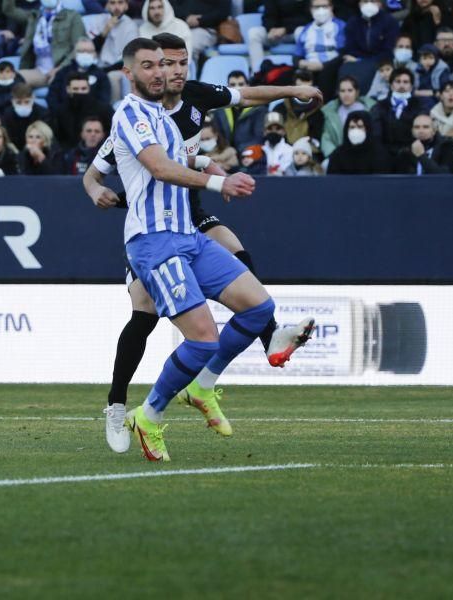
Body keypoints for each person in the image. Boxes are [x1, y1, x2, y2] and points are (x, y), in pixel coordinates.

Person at [83, 34, 322, 451]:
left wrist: (208, 162)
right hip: (153, 238)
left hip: (187, 232)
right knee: (152, 319)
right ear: (129, 72)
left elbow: (181, 154)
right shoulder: (131, 116)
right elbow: (155, 167)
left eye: (170, 63)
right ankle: (128, 408)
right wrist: (219, 179)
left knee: (258, 304)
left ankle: (205, 381)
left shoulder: (170, 113)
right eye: (153, 65)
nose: (164, 71)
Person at [3, 0, 85, 89]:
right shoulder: (35, 16)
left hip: (62, 69)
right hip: (39, 70)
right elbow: (9, 10)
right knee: (10, 80)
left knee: (58, 84)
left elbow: (79, 48)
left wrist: (59, 69)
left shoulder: (72, 17)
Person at [340, 0, 400, 94]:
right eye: (365, 1)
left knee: (368, 71)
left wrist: (363, 61)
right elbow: (350, 48)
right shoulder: (353, 22)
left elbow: (388, 50)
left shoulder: (390, 21)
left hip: (381, 61)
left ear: (380, 3)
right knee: (345, 68)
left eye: (373, 1)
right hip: (357, 60)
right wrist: (359, 59)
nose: (369, 4)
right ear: (359, 3)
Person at [87, 0, 139, 103]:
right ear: (106, 5)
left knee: (111, 77)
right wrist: (105, 31)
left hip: (119, 69)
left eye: (120, 3)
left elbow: (129, 57)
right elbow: (90, 49)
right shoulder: (98, 21)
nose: (116, 7)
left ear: (126, 6)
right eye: (112, 3)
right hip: (98, 66)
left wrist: (105, 71)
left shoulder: (131, 26)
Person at [293, 0, 347, 97]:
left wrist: (323, 66)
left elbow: (343, 53)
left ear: (331, 7)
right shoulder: (306, 29)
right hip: (308, 67)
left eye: (324, 6)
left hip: (330, 66)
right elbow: (297, 55)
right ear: (310, 9)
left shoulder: (340, 26)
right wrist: (300, 63)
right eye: (316, 7)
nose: (321, 10)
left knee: (326, 75)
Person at [51, 72, 113, 149]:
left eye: (83, 89)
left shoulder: (103, 109)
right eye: (75, 89)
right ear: (68, 90)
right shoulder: (60, 111)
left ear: (89, 89)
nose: (80, 92)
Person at [47, 38, 111, 112]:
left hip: (91, 116)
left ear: (95, 54)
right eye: (81, 51)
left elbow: (104, 101)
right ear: (74, 54)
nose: (85, 54)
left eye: (89, 51)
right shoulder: (63, 73)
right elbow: (52, 97)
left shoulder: (102, 76)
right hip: (64, 115)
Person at [370, 66, 423, 155]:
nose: (401, 85)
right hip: (385, 155)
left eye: (405, 82)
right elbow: (376, 135)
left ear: (411, 87)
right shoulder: (379, 107)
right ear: (391, 85)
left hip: (411, 154)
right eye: (398, 81)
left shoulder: (420, 106)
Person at [211, 71, 270, 150]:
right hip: (227, 154)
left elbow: (259, 138)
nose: (237, 88)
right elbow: (217, 137)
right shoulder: (219, 111)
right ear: (227, 87)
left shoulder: (259, 110)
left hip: (250, 154)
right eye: (233, 85)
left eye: (241, 84)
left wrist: (238, 151)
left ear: (248, 86)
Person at [248, 0, 312, 72]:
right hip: (276, 34)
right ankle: (258, 73)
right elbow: (268, 16)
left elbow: (307, 19)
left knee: (301, 31)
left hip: (294, 32)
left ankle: (304, 74)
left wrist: (286, 29)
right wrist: (270, 29)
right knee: (254, 33)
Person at [321, 75, 375, 157]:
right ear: (338, 93)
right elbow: (326, 139)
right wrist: (335, 156)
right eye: (342, 91)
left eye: (350, 90)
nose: (346, 94)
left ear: (356, 92)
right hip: (339, 156)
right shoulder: (330, 113)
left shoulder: (371, 110)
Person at [327, 109, 390, 173]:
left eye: (360, 127)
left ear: (368, 129)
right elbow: (332, 180)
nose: (355, 130)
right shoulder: (337, 155)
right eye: (352, 127)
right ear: (346, 129)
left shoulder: (379, 154)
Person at [272, 69, 325, 144]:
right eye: (301, 79)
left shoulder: (319, 113)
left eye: (307, 80)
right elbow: (272, 133)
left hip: (308, 153)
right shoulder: (280, 108)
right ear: (294, 83)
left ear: (312, 84)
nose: (304, 84)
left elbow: (317, 141)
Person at [2, 83, 48, 151]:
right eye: (18, 102)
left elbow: (46, 137)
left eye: (27, 102)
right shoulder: (7, 114)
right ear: (12, 101)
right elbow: (8, 138)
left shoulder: (43, 114)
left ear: (33, 98)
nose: (23, 105)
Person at [413, 43, 450, 109]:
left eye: (431, 58)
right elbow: (412, 89)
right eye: (424, 58)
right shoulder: (416, 70)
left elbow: (443, 90)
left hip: (436, 100)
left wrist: (433, 93)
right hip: (418, 99)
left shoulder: (442, 70)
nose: (428, 61)